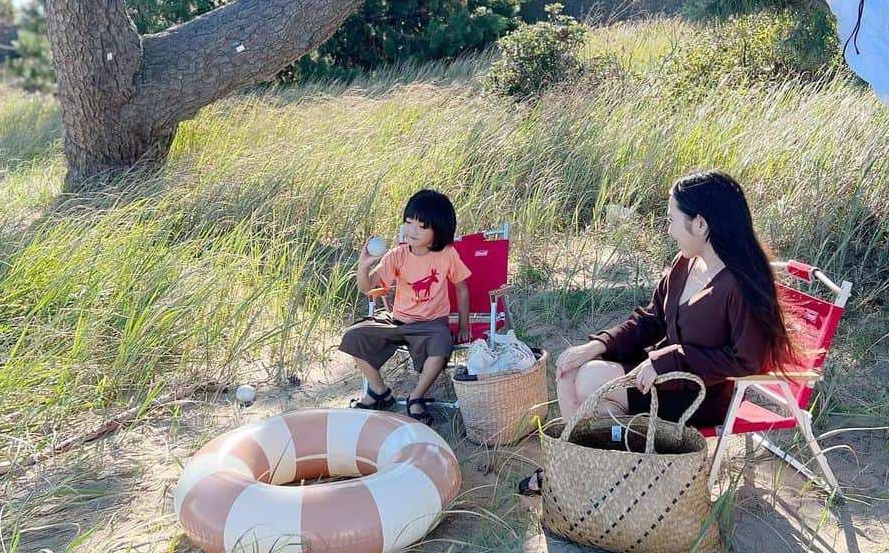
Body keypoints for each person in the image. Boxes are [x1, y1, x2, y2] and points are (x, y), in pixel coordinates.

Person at [519, 169, 796, 494]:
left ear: (701, 224)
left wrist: (671, 359)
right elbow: (651, 319)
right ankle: (580, 472)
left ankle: (602, 481)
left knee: (593, 381)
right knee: (571, 371)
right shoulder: (686, 263)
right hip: (664, 376)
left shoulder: (739, 285)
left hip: (701, 393)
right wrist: (597, 346)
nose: (668, 231)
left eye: (671, 220)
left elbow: (746, 362)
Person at [340, 189, 471, 425]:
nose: (411, 230)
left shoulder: (446, 255)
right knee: (352, 336)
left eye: (421, 226)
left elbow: (462, 288)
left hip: (432, 324)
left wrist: (463, 325)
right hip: (397, 321)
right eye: (409, 222)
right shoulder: (396, 255)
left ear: (438, 230)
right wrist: (363, 266)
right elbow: (367, 287)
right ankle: (379, 391)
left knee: (442, 344)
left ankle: (416, 396)